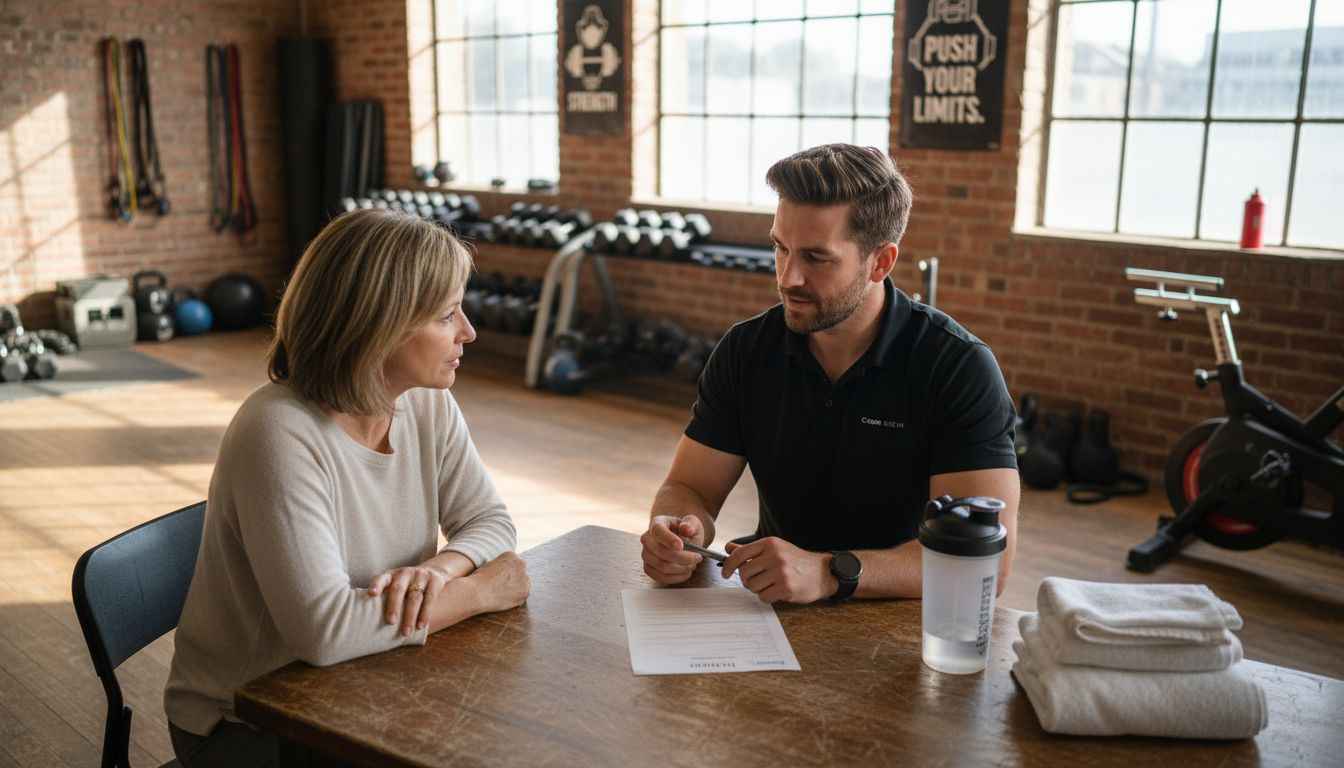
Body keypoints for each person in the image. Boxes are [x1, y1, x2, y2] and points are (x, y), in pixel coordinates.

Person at [165, 208, 529, 767]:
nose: (469, 332)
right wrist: (478, 591)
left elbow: (490, 522)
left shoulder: (425, 401)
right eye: (447, 315)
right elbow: (326, 631)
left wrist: (437, 572)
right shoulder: (278, 431)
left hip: (363, 677)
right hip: (251, 718)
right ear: (378, 325)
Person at [640, 143, 1019, 604]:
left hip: (902, 621)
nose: (789, 277)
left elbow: (984, 565)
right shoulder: (746, 350)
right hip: (774, 606)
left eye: (816, 258)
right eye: (781, 248)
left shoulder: (957, 367)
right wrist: (677, 525)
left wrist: (828, 572)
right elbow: (689, 487)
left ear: (880, 261)